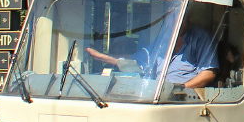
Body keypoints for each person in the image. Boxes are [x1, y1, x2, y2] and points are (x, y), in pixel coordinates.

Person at [86, 25, 219, 91]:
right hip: (159, 95)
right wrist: (103, 57)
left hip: (187, 98)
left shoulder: (200, 37)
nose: (177, 22)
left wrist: (179, 89)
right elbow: (138, 61)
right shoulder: (164, 39)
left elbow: (208, 73)